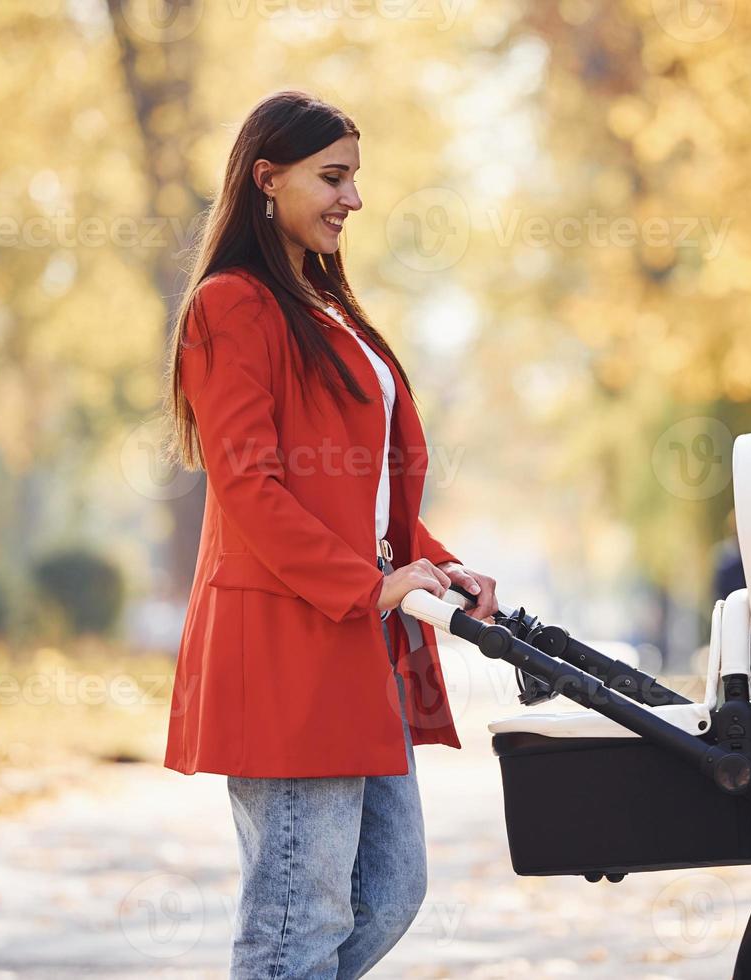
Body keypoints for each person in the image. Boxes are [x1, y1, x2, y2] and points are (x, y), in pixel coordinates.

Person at [159, 89, 499, 979]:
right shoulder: (232, 306)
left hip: (358, 643)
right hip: (286, 644)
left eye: (355, 179)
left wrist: (440, 568)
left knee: (387, 892)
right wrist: (368, 585)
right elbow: (249, 485)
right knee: (294, 918)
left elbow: (362, 497)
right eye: (334, 177)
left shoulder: (326, 307)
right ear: (267, 180)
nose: (353, 198)